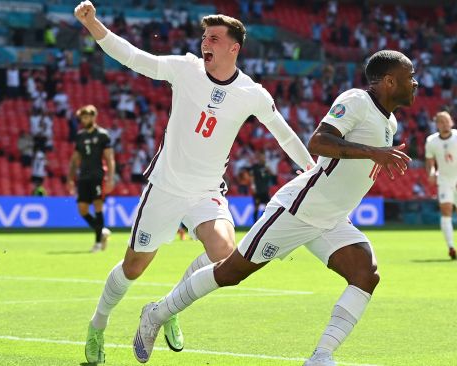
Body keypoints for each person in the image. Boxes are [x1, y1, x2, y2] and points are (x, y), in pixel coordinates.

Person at [130, 50, 416, 365]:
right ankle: (157, 313)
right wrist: (374, 152)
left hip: (332, 218)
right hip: (298, 210)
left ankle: (320, 357)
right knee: (230, 272)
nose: (415, 83)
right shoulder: (357, 101)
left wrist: (374, 154)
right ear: (389, 81)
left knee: (366, 274)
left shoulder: (389, 120)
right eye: (409, 77)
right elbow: (319, 141)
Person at [73, 2, 315, 364]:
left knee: (226, 255)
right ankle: (98, 325)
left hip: (206, 192)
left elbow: (284, 134)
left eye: (214, 38)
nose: (206, 43)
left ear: (234, 48)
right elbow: (134, 57)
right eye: (204, 37)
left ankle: (165, 311)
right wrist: (93, 24)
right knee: (133, 267)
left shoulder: (253, 92)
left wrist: (312, 169)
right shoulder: (185, 69)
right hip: (165, 188)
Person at [424, 111, 457, 259]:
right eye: (441, 121)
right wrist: (431, 173)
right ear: (436, 125)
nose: (444, 124)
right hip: (444, 180)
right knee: (446, 210)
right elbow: (430, 162)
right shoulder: (431, 141)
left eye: (447, 121)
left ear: (452, 122)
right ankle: (451, 247)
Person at [67, 104, 115, 253]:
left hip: (97, 176)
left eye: (87, 117)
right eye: (83, 117)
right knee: (82, 209)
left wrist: (110, 178)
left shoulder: (102, 135)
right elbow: (75, 159)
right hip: (83, 177)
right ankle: (102, 232)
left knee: (98, 206)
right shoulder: (80, 136)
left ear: (94, 117)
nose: (84, 119)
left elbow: (109, 158)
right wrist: (70, 178)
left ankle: (98, 243)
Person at [250, 150, 274, 221]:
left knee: (268, 207)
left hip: (265, 190)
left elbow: (273, 175)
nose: (262, 158)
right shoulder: (255, 167)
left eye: (263, 157)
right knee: (256, 207)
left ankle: (262, 220)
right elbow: (252, 178)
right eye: (261, 157)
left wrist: (268, 169)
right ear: (259, 158)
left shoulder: (266, 167)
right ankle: (254, 223)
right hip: (257, 190)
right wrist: (253, 187)